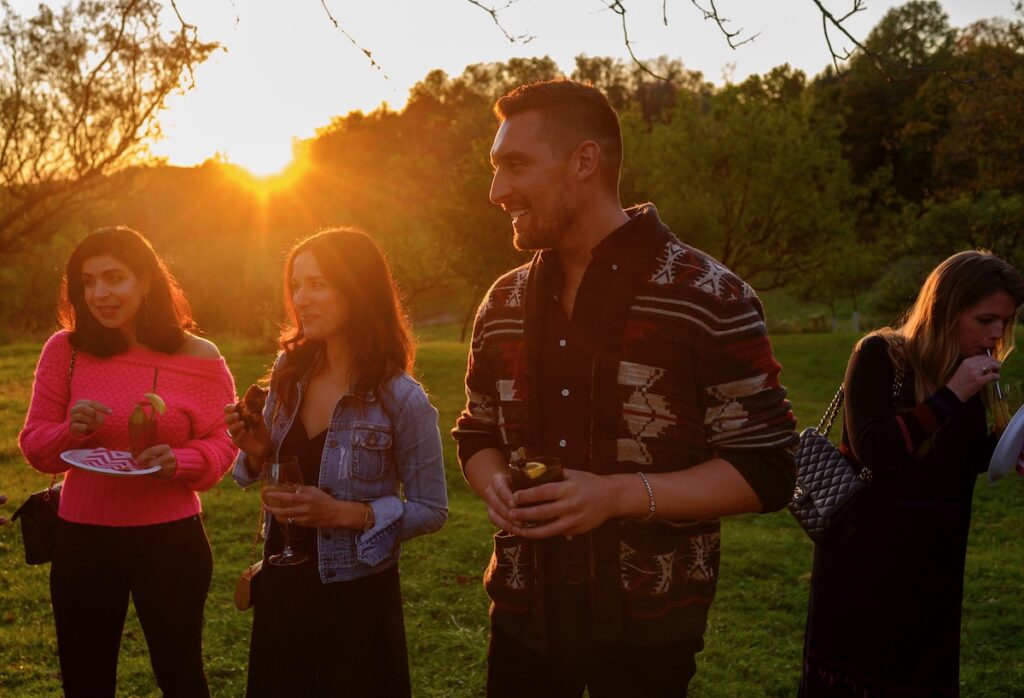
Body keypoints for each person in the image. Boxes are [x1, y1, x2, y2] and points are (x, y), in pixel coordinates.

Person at [451, 79, 799, 696]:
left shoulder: (709, 295)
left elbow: (768, 469)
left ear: (584, 161)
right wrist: (495, 486)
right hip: (523, 617)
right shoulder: (501, 301)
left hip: (650, 634)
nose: (496, 191)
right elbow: (477, 431)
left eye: (516, 165)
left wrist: (616, 496)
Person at [226, 227, 448, 697]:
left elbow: (433, 508)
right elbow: (267, 470)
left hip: (356, 597)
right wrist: (261, 451)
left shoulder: (402, 399)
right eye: (297, 285)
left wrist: (347, 514)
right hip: (282, 586)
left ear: (358, 288)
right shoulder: (290, 373)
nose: (301, 299)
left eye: (318, 284)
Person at [18, 226, 237, 697]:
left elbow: (224, 443)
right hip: (81, 540)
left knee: (181, 677)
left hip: (171, 542)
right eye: (87, 282)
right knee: (85, 680)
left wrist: (182, 459)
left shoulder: (200, 357)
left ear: (146, 280)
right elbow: (35, 445)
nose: (99, 293)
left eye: (113, 277)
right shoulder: (66, 350)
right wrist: (69, 430)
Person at [798, 250, 1024, 696]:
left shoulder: (974, 374)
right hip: (865, 559)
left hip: (935, 561)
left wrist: (1009, 448)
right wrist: (953, 393)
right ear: (944, 311)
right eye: (985, 320)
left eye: (1006, 321)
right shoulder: (880, 355)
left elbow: (955, 457)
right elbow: (877, 449)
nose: (997, 334)